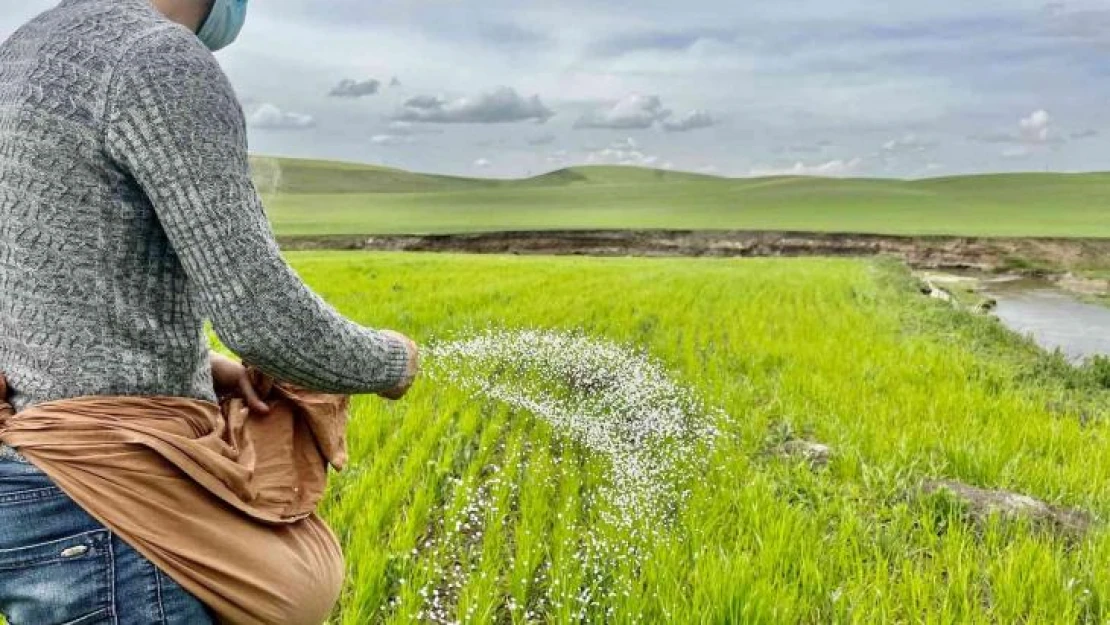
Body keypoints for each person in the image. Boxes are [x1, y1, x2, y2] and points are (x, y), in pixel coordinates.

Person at [0, 0, 420, 622]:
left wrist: (205, 365)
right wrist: (393, 362)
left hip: (25, 491)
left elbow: (48, 283)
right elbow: (262, 317)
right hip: (111, 510)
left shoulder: (19, 55)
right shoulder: (154, 57)